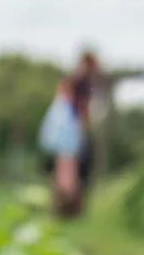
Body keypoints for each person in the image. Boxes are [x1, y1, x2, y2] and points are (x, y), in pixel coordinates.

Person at [39, 50, 101, 217]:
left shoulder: (72, 81)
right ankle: (66, 208)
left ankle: (60, 208)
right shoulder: (82, 84)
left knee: (62, 171)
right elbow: (82, 111)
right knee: (68, 173)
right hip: (68, 131)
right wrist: (81, 128)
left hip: (61, 130)